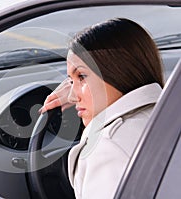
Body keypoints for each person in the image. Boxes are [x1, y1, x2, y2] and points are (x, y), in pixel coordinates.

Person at [40, 18, 164, 199]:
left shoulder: (107, 147)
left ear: (119, 71)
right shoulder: (168, 116)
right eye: (71, 80)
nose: (74, 96)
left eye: (81, 76)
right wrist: (79, 82)